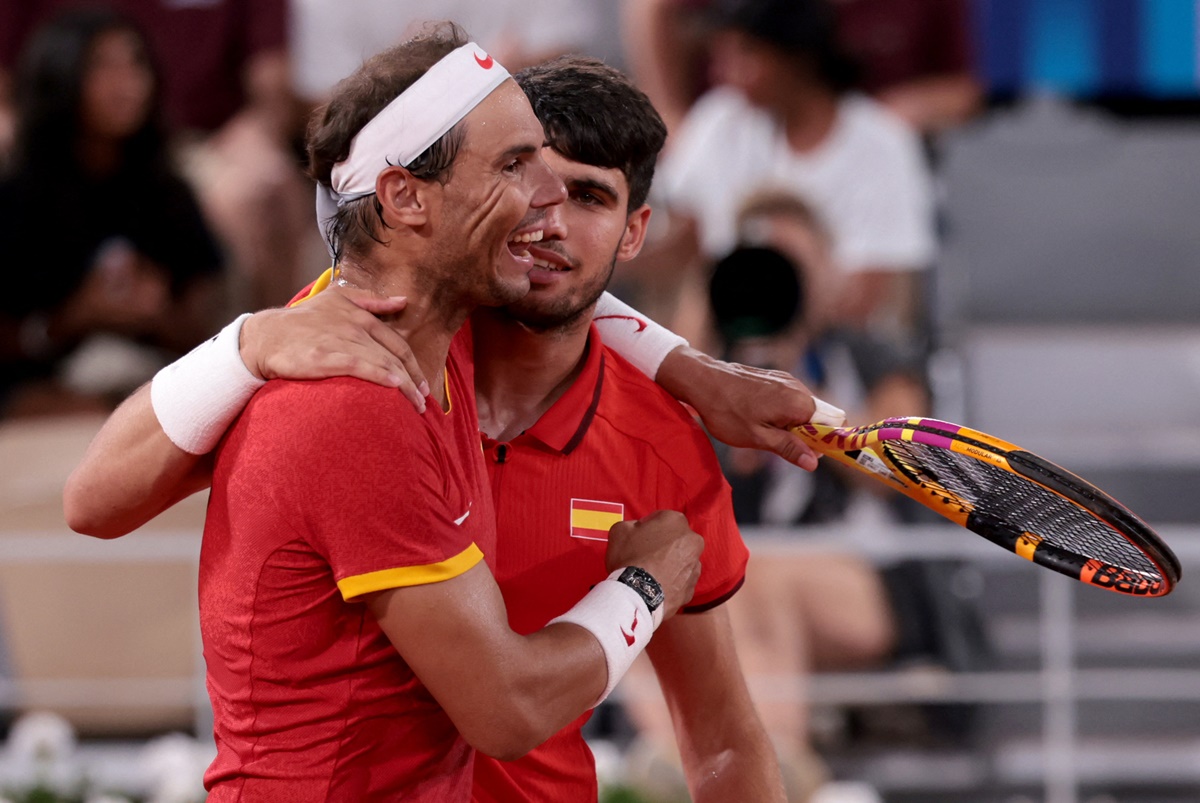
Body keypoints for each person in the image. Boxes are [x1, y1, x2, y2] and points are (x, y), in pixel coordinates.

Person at [64, 44, 845, 803]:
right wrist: (246, 340)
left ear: (633, 230)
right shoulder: (342, 360)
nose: (547, 210)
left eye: (589, 197)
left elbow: (723, 741)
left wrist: (690, 367)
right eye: (518, 166)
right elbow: (506, 708)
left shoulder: (444, 345)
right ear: (408, 197)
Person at [0, 7, 224, 418]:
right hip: (38, 384)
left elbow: (208, 337)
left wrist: (158, 315)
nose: (128, 83)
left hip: (153, 380)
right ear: (60, 77)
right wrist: (74, 318)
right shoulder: (17, 196)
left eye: (136, 63)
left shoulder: (167, 191)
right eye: (103, 66)